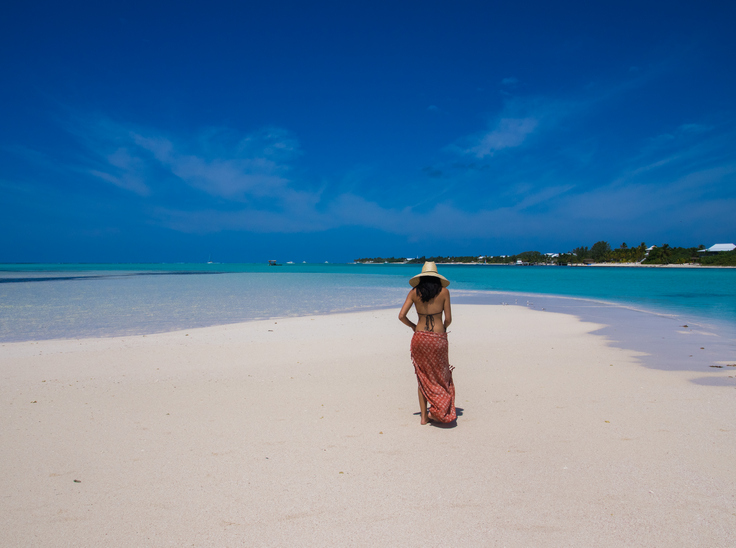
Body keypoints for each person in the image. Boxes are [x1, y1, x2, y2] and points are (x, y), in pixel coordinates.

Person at [398, 261, 457, 425]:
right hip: (438, 338)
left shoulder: (413, 292)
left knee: (423, 376)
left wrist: (413, 327)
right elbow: (449, 319)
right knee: (441, 375)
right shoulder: (444, 292)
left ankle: (424, 417)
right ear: (437, 277)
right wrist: (442, 330)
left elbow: (401, 316)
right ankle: (440, 409)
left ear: (421, 278)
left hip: (420, 337)